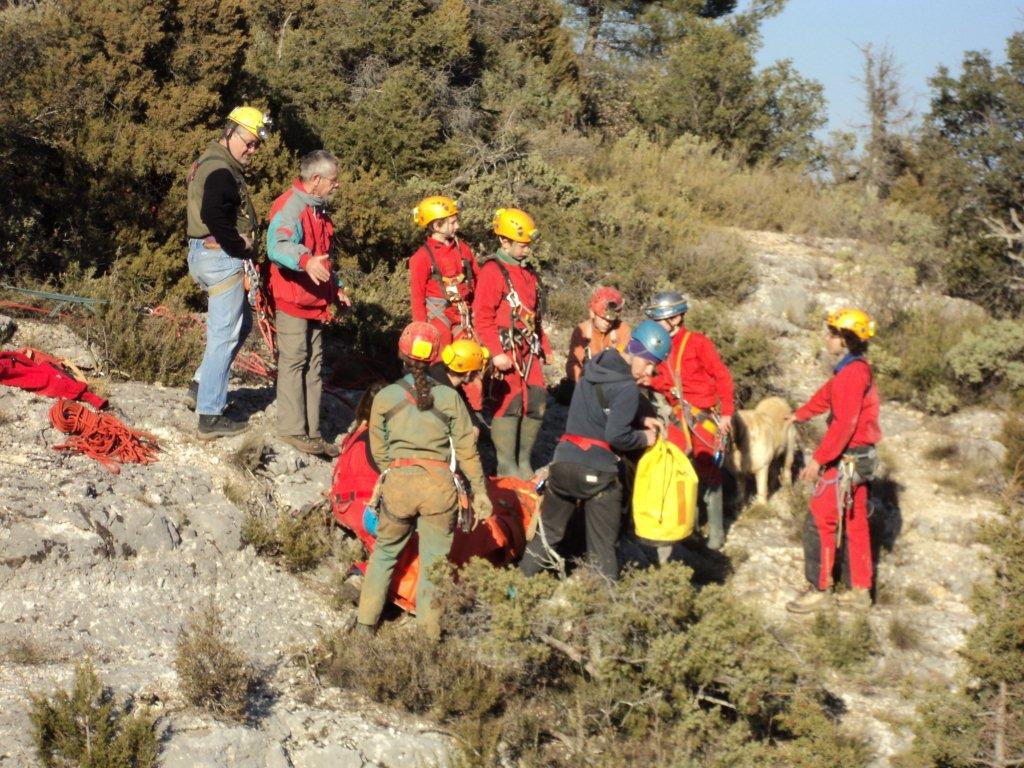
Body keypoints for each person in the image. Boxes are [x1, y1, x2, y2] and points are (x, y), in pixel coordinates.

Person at [356, 322, 493, 638]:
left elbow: (378, 450)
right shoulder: (449, 398)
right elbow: (467, 450)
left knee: (385, 554)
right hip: (439, 489)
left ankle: (365, 627)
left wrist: (398, 473)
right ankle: (428, 638)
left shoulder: (386, 397)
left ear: (400, 354)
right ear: (436, 358)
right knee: (435, 565)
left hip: (400, 484)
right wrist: (480, 492)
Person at [519, 320, 672, 581]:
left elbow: (600, 409)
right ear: (635, 351)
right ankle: (604, 610)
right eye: (648, 363)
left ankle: (513, 589)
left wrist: (639, 417)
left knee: (548, 537)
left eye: (653, 368)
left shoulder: (594, 368)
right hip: (597, 474)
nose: (648, 372)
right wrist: (644, 437)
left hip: (562, 464)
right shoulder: (627, 389)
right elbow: (616, 435)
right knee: (602, 551)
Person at [786, 308, 881, 614]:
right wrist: (800, 414)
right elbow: (826, 396)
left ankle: (820, 588)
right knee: (854, 523)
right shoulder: (852, 369)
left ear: (846, 339)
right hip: (860, 457)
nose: (827, 338)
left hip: (847, 459)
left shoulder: (852, 373)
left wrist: (817, 460)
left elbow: (843, 424)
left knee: (819, 521)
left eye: (832, 334)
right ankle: (860, 591)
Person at [185, 105, 270, 438]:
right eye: (247, 142)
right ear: (229, 132)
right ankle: (210, 414)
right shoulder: (221, 170)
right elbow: (214, 215)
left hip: (207, 255)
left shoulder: (213, 162)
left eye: (255, 146)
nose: (251, 150)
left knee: (242, 323)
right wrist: (238, 246)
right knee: (226, 333)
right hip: (220, 258)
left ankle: (201, 383)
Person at [266, 150, 351, 457]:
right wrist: (305, 260)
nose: (336, 185)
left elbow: (322, 257)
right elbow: (277, 246)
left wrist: (336, 288)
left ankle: (312, 432)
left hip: (314, 300)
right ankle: (291, 430)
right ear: (316, 180)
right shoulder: (291, 206)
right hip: (292, 299)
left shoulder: (317, 209)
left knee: (314, 365)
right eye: (333, 180)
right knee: (295, 361)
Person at [644, 291, 735, 550]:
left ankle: (716, 535)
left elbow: (722, 377)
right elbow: (661, 381)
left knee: (708, 472)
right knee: (679, 470)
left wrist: (727, 412)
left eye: (660, 320)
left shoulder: (698, 343)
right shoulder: (659, 347)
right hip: (676, 417)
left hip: (702, 418)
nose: (657, 325)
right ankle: (688, 529)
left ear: (676, 318)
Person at [474, 208, 552, 479]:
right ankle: (507, 464)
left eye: (528, 245)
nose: (526, 250)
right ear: (504, 242)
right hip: (505, 349)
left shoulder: (527, 273)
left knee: (538, 400)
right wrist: (496, 353)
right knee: (510, 403)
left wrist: (545, 347)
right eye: (522, 245)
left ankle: (524, 460)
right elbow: (482, 317)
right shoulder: (492, 272)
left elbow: (534, 314)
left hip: (528, 348)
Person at [565, 287, 632, 383]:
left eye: (611, 320)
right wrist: (583, 382)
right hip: (588, 382)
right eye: (603, 318)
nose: (607, 323)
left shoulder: (622, 330)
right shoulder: (581, 331)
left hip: (614, 383)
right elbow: (573, 364)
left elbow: (626, 359)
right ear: (592, 313)